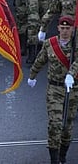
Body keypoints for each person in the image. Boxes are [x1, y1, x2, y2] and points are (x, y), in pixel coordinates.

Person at [27, 15, 78, 164]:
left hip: (72, 89)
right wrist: (32, 75)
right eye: (62, 28)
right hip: (54, 89)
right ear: (58, 28)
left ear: (72, 29)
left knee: (67, 125)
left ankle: (62, 156)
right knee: (55, 124)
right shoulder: (50, 44)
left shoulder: (76, 44)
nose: (65, 31)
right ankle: (54, 159)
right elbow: (41, 59)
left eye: (67, 28)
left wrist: (71, 74)